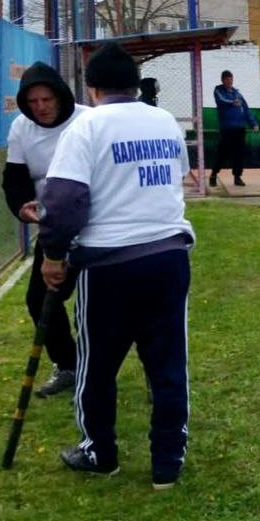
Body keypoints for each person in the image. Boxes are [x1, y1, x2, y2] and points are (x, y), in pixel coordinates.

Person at [38, 42, 195, 490]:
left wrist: (53, 255)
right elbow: (175, 173)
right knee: (167, 365)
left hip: (109, 264)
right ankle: (168, 462)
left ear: (92, 89)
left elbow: (64, 201)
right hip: (168, 257)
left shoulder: (88, 126)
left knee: (97, 365)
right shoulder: (163, 120)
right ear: (134, 85)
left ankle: (99, 452)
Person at [2, 62, 89, 397]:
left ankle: (150, 374)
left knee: (103, 304)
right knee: (39, 300)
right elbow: (15, 179)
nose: (40, 107)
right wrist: (22, 206)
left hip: (94, 228)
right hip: (54, 229)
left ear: (61, 96)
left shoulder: (86, 121)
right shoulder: (21, 129)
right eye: (33, 102)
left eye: (47, 99)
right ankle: (68, 364)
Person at [210, 69, 258, 187]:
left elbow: (246, 109)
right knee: (222, 153)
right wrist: (232, 102)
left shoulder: (237, 93)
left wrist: (253, 123)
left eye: (231, 79)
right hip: (227, 129)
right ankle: (214, 175)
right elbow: (222, 100)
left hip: (240, 128)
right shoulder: (219, 91)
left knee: (239, 153)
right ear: (223, 80)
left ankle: (237, 177)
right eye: (227, 79)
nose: (229, 81)